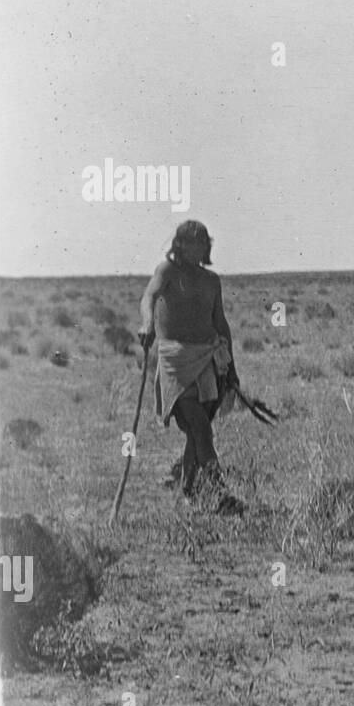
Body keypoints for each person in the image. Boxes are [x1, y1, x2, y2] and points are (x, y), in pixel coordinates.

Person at [137, 220, 242, 513]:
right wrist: (147, 324)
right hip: (175, 362)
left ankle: (188, 491)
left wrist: (231, 368)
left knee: (200, 430)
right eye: (191, 242)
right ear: (179, 244)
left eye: (202, 243)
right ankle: (220, 493)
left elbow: (220, 322)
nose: (196, 248)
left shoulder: (211, 280)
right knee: (199, 426)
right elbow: (149, 297)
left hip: (208, 359)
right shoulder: (167, 271)